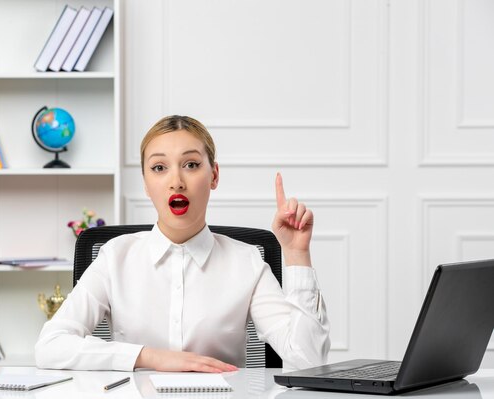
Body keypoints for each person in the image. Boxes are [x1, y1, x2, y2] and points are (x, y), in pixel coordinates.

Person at [35, 115, 330, 372]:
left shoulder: (247, 260)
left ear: (213, 175)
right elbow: (51, 346)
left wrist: (296, 254)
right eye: (159, 168)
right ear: (146, 182)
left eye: (191, 164)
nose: (176, 181)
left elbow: (310, 360)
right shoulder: (115, 257)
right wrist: (149, 357)